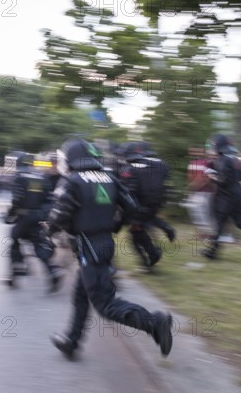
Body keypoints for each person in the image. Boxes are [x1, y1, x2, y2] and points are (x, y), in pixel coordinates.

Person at [44, 138, 173, 360]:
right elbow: (131, 207)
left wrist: (49, 231)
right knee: (81, 294)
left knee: (104, 303)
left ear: (72, 158)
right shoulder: (110, 177)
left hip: (87, 246)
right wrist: (113, 225)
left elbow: (60, 214)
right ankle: (71, 341)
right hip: (104, 243)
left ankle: (155, 323)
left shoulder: (72, 181)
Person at [3, 152, 63, 293]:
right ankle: (53, 271)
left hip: (23, 216)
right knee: (38, 245)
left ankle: (17, 268)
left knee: (14, 240)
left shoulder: (19, 177)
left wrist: (9, 215)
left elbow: (17, 199)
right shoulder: (41, 176)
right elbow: (49, 200)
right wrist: (42, 215)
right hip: (37, 217)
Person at [120, 141, 176, 268]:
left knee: (136, 234)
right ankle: (162, 231)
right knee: (144, 227)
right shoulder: (159, 164)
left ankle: (151, 257)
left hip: (138, 207)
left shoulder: (131, 168)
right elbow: (166, 184)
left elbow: (130, 190)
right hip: (154, 204)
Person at [186, 146, 216, 239]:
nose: (195, 154)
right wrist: (191, 187)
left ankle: (207, 233)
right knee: (196, 211)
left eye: (198, 152)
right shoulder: (192, 163)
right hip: (197, 190)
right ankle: (203, 232)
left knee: (204, 212)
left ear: (202, 153)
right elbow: (190, 175)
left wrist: (198, 185)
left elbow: (209, 177)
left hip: (206, 191)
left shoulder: (207, 163)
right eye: (193, 152)